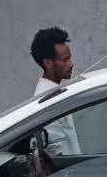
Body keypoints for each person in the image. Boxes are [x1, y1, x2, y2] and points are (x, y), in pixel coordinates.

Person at [30, 27, 81, 157]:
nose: (71, 64)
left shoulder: (53, 91)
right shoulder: (48, 99)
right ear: (48, 63)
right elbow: (56, 154)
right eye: (65, 59)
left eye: (70, 58)